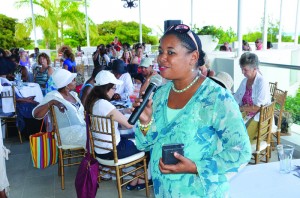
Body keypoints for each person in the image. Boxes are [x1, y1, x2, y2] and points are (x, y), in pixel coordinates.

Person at [133, 24, 251, 197]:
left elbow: (241, 151)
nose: (161, 58)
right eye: (160, 51)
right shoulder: (159, 95)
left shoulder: (216, 97)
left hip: (200, 192)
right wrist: (145, 122)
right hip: (164, 191)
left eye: (170, 52)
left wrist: (196, 167)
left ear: (193, 57)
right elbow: (144, 144)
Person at [32, 69, 86, 148]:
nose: (75, 82)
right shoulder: (53, 96)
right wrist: (52, 102)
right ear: (66, 84)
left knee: (100, 134)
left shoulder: (74, 95)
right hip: (67, 134)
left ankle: (92, 157)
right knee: (97, 137)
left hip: (81, 130)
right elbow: (36, 114)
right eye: (73, 80)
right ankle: (95, 157)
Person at [234, 52, 271, 143]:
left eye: (245, 70)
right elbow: (236, 98)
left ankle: (241, 154)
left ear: (255, 68)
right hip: (246, 115)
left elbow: (259, 108)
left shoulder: (261, 82)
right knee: (228, 129)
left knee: (239, 138)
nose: (242, 72)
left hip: (259, 119)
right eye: (241, 69)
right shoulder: (245, 81)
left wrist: (242, 108)